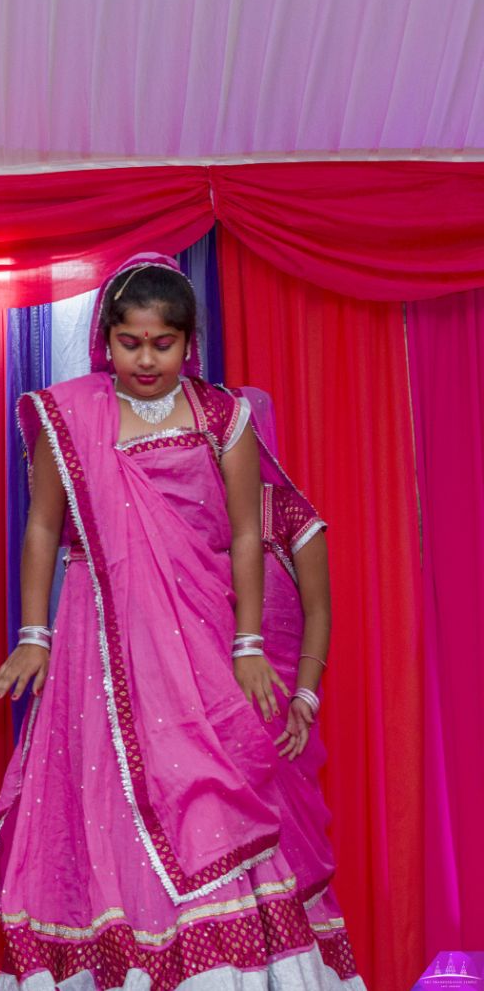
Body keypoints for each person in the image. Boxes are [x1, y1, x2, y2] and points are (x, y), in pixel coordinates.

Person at [0, 256, 361, 987]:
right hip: (96, 643)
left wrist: (249, 644)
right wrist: (34, 635)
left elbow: (248, 533)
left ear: (190, 343)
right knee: (104, 794)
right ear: (106, 340)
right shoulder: (71, 416)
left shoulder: (223, 416)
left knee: (210, 791)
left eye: (163, 343)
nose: (147, 358)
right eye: (130, 342)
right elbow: (41, 529)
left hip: (198, 640)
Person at [233, 386, 357, 973]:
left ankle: (299, 974)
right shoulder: (199, 511)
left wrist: (306, 695)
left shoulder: (287, 510)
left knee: (288, 830)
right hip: (213, 701)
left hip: (278, 700)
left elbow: (320, 611)